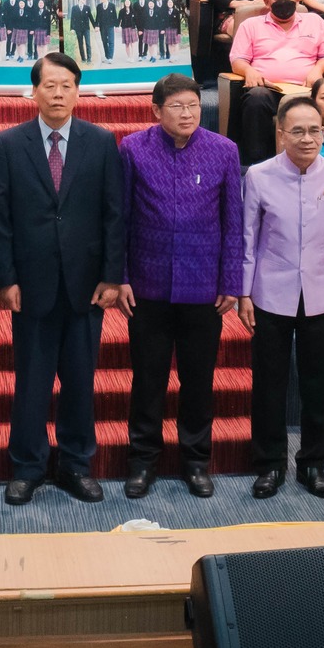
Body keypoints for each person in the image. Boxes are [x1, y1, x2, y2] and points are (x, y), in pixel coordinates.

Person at [0, 53, 125, 506]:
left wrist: (111, 276)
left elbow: (113, 214)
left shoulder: (102, 142)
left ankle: (74, 464)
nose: (59, 93)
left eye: (67, 85)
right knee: (31, 381)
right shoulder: (9, 143)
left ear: (78, 91)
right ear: (35, 91)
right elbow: (0, 217)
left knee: (81, 380)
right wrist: (5, 278)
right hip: (32, 284)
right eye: (50, 85)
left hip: (86, 284)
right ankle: (27, 466)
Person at [111, 74, 244, 500]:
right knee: (147, 380)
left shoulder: (223, 151)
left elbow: (234, 223)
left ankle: (195, 461)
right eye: (177, 106)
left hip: (204, 287)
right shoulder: (132, 148)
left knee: (198, 380)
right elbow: (120, 219)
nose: (187, 113)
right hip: (147, 286)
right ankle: (142, 462)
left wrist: (231, 281)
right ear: (156, 110)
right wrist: (122, 277)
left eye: (193, 105)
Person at [239, 94, 324, 501]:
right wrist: (244, 293)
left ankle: (312, 464)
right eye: (298, 131)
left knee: (318, 384)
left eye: (315, 130)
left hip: (322, 295)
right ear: (281, 132)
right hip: (270, 294)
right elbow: (248, 240)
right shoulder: (258, 176)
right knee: (269, 383)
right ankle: (270, 464)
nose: (307, 139)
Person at [228, 0, 324, 165]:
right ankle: (257, 164)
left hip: (306, 88)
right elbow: (237, 60)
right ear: (267, 1)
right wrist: (249, 71)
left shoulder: (315, 21)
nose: (283, 2)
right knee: (255, 98)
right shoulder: (250, 25)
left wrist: (318, 69)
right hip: (268, 89)